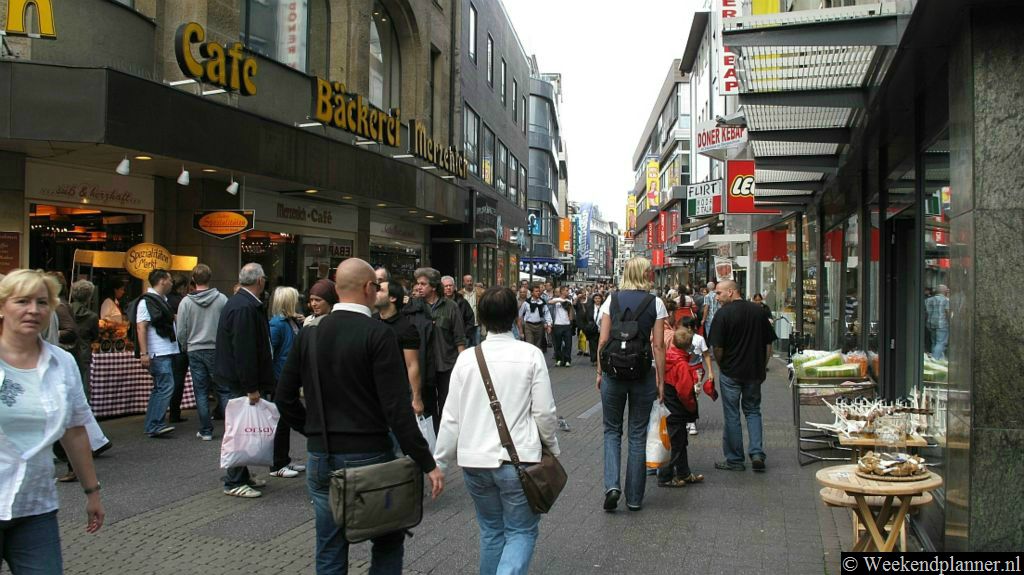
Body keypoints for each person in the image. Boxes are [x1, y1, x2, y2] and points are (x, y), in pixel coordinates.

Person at [275, 258, 444, 574]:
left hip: (321, 455)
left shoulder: (309, 335)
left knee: (330, 547)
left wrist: (312, 429)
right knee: (388, 541)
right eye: (377, 286)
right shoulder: (378, 335)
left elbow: (283, 398)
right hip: (370, 456)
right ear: (368, 288)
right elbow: (397, 409)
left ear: (337, 290)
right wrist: (427, 461)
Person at [435, 287, 560, 574]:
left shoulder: (467, 359)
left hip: (474, 461)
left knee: (491, 531)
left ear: (481, 318)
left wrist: (440, 461)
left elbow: (451, 416)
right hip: (519, 460)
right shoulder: (530, 355)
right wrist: (551, 446)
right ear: (515, 316)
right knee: (521, 531)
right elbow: (544, 412)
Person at [0, 270, 105, 571]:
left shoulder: (61, 362)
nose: (33, 310)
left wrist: (92, 492)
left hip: (36, 508)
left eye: (42, 302)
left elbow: (74, 430)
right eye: (22, 301)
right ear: (2, 306)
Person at [596, 257, 667, 512]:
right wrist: (661, 380)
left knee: (611, 431)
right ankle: (634, 498)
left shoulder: (611, 300)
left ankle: (612, 486)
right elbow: (658, 345)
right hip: (642, 374)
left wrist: (599, 371)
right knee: (637, 435)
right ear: (645, 274)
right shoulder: (655, 302)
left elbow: (603, 341)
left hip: (614, 373)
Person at [214, 263, 276, 498]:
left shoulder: (242, 303)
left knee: (240, 427)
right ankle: (234, 481)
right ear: (260, 281)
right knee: (239, 429)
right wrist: (251, 387)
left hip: (234, 377)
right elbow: (244, 349)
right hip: (238, 380)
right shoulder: (245, 307)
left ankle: (240, 474)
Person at [708, 280, 777, 472]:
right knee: (753, 411)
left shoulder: (723, 314)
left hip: (731, 372)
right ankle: (756, 453)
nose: (717, 297)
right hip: (754, 372)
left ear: (731, 292)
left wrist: (722, 366)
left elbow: (718, 347)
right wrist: (763, 366)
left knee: (732, 415)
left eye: (719, 293)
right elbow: (768, 344)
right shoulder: (758, 312)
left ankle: (735, 459)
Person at [175, 263, 229, 442]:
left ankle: (206, 430)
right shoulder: (221, 299)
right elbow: (227, 325)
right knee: (222, 389)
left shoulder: (186, 302)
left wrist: (184, 346)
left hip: (195, 349)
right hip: (216, 349)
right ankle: (232, 428)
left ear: (193, 280)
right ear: (210, 277)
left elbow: (181, 330)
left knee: (201, 390)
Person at [413, 267, 465, 433]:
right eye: (417, 284)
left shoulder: (451, 307)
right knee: (427, 407)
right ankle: (432, 440)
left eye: (423, 284)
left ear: (434, 287)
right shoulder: (414, 307)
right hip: (424, 365)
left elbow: (459, 337)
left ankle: (447, 437)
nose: (419, 287)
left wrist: (462, 365)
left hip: (446, 364)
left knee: (447, 405)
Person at [133, 268, 179, 438]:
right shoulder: (147, 302)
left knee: (160, 387)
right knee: (166, 386)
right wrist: (144, 353)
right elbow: (141, 326)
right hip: (158, 351)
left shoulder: (160, 300)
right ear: (162, 281)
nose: (172, 282)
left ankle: (152, 423)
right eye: (170, 279)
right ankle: (155, 424)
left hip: (163, 350)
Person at [375, 281, 424, 416]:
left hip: (395, 395)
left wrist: (416, 398)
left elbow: (412, 364)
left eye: (381, 290)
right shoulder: (371, 321)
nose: (375, 292)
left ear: (393, 298)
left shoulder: (406, 328)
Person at [166, 273, 190, 424]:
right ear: (181, 287)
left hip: (166, 344)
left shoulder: (165, 300)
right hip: (180, 345)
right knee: (178, 379)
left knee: (170, 380)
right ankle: (175, 412)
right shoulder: (181, 302)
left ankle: (171, 412)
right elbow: (182, 325)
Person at [442, 275, 475, 348]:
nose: (448, 288)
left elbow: (470, 319)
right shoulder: (438, 302)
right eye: (445, 286)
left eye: (450, 285)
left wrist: (464, 334)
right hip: (444, 341)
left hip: (461, 340)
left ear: (454, 287)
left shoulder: (462, 302)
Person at [517, 284, 552, 350]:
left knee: (537, 346)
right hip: (529, 326)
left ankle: (535, 359)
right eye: (536, 291)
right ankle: (530, 359)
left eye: (539, 291)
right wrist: (521, 330)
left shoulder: (542, 302)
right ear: (532, 293)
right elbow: (520, 315)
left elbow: (547, 313)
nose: (538, 293)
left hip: (539, 326)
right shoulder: (526, 302)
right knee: (530, 345)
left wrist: (549, 325)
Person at [548, 286, 576, 367]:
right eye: (566, 291)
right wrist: (560, 300)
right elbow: (549, 302)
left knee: (568, 344)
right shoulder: (556, 300)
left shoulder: (568, 300)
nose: (568, 292)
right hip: (557, 324)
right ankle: (559, 360)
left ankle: (567, 360)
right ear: (562, 291)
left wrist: (571, 322)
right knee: (557, 344)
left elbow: (570, 312)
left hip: (567, 325)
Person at [925, 285, 950, 360]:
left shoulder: (928, 300)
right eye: (947, 290)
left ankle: (936, 357)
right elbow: (947, 312)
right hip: (941, 324)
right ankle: (935, 358)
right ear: (944, 291)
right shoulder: (945, 300)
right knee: (941, 342)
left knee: (934, 342)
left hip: (930, 323)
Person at [579, 292, 603, 365]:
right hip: (593, 328)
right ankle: (594, 360)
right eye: (596, 298)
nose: (597, 300)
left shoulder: (604, 307)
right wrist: (586, 326)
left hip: (602, 328)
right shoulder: (590, 307)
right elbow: (585, 318)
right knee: (593, 344)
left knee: (602, 344)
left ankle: (601, 359)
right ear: (593, 299)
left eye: (599, 298)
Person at [460, 274, 482, 346]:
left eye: (471, 281)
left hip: (476, 325)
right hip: (465, 326)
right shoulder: (460, 294)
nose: (470, 283)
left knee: (477, 347)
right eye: (467, 281)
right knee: (466, 346)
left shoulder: (479, 292)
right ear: (464, 283)